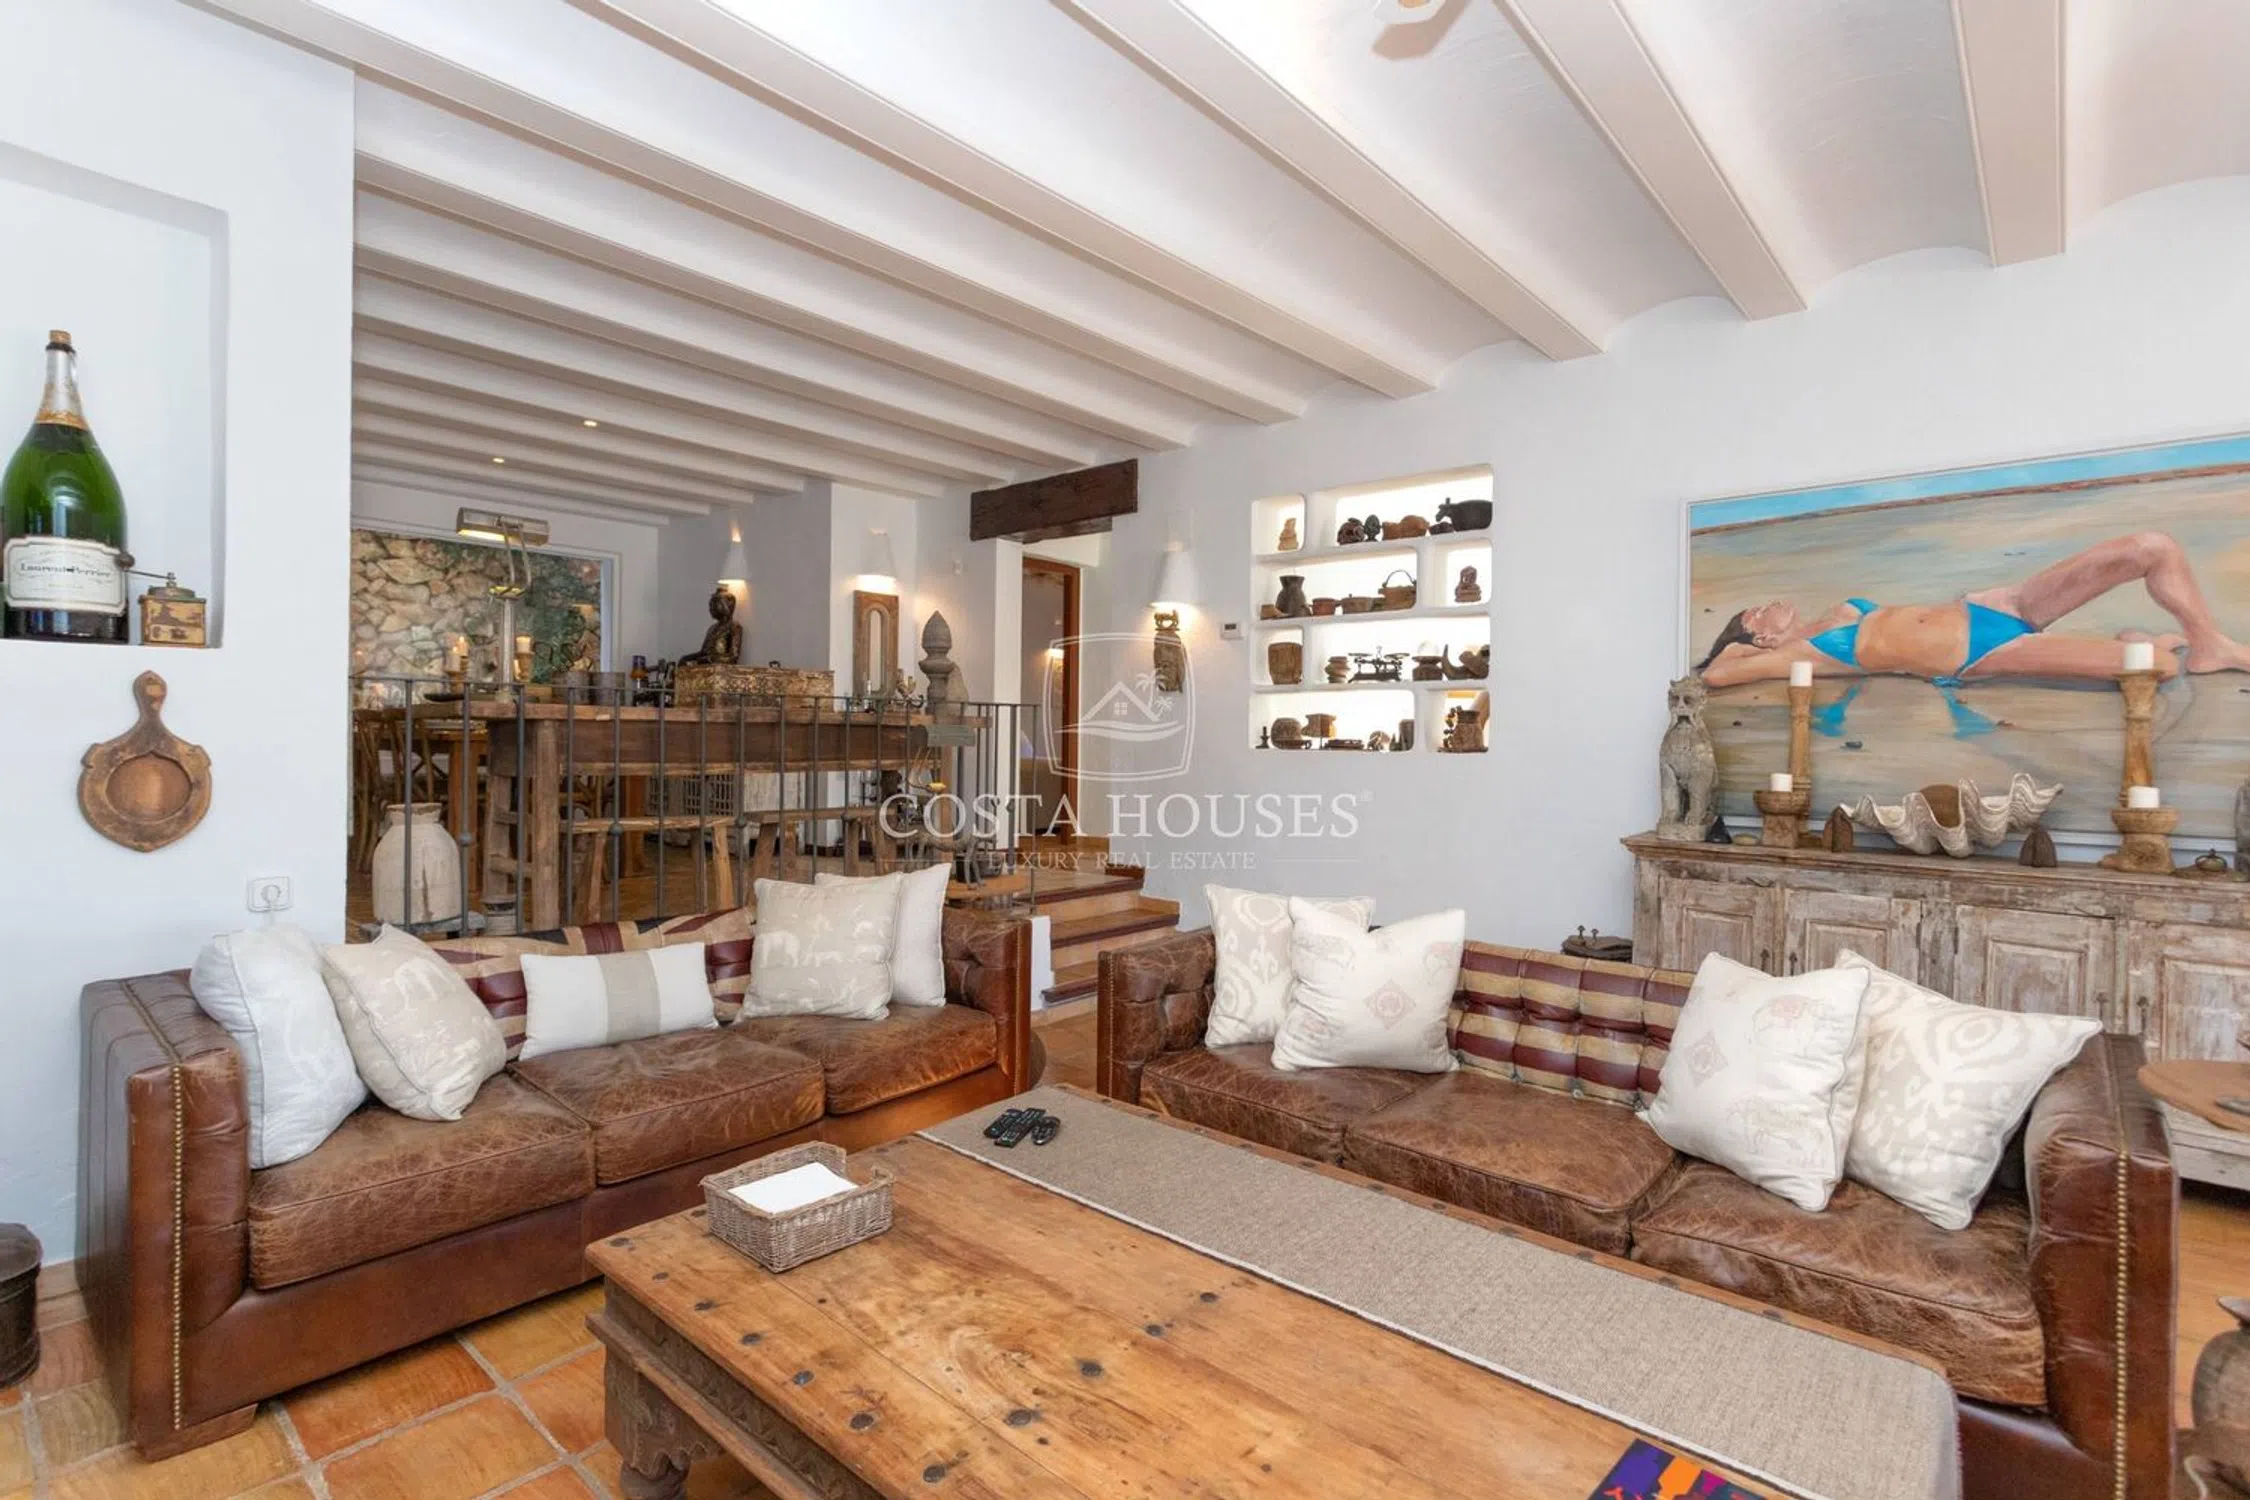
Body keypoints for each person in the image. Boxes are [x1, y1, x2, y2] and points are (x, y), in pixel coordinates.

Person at [1697, 530, 2250, 687]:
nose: (1768, 605)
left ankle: (2209, 644)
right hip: (1981, 653)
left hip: (1991, 606)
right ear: (1760, 638)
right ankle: (2145, 646)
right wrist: (1744, 648)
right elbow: (1715, 675)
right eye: (1756, 614)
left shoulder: (1835, 612)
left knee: (2152, 547)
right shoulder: (1797, 655)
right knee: (2154, 666)